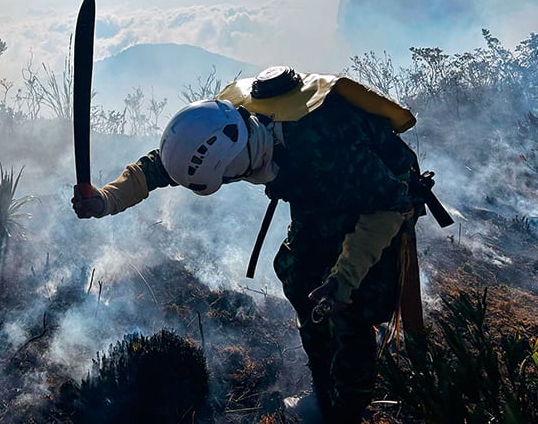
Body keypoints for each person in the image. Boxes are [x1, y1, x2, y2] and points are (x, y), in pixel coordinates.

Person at [72, 66, 426, 423]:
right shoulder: (230, 123)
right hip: (320, 195)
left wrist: (346, 277)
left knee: (349, 308)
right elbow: (161, 167)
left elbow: (388, 205)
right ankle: (323, 391)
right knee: (297, 271)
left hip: (380, 198)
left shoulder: (325, 149)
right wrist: (105, 200)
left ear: (233, 166)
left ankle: (345, 410)